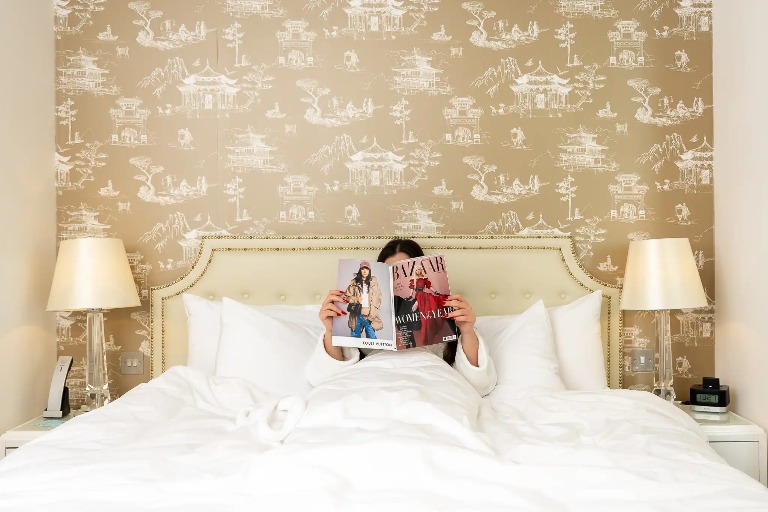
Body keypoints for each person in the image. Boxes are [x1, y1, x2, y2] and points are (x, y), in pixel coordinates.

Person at [307, 239, 497, 396]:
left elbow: (480, 384)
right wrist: (332, 329)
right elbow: (324, 379)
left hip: (430, 384)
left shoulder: (445, 316)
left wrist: (467, 330)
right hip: (371, 383)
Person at [344, 261, 382, 339]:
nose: (365, 271)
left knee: (372, 340)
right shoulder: (354, 284)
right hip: (357, 315)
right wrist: (355, 299)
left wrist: (372, 314)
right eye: (363, 269)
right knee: (355, 339)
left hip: (370, 316)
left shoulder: (374, 284)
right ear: (360, 270)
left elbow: (378, 300)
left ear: (369, 271)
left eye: (367, 269)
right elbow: (346, 297)